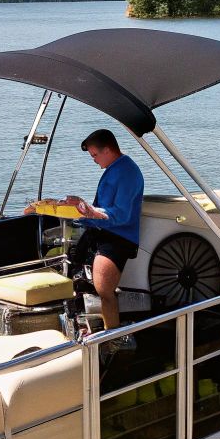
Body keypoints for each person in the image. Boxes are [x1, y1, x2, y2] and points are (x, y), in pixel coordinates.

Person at [62, 128, 144, 330]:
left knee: (104, 289)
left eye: (95, 155)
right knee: (74, 275)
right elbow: (102, 210)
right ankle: (84, 327)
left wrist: (87, 211)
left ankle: (112, 337)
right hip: (100, 233)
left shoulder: (127, 172)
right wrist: (79, 213)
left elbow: (121, 215)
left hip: (119, 237)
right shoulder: (113, 169)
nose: (94, 160)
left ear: (107, 150)